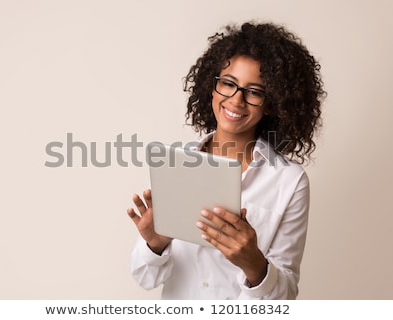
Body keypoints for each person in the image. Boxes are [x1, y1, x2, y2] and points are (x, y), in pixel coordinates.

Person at [126, 21, 325, 299]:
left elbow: (285, 295)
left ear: (272, 103)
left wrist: (255, 265)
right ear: (212, 86)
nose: (236, 100)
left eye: (254, 92)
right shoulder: (178, 163)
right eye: (228, 84)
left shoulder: (289, 181)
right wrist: (154, 243)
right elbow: (145, 277)